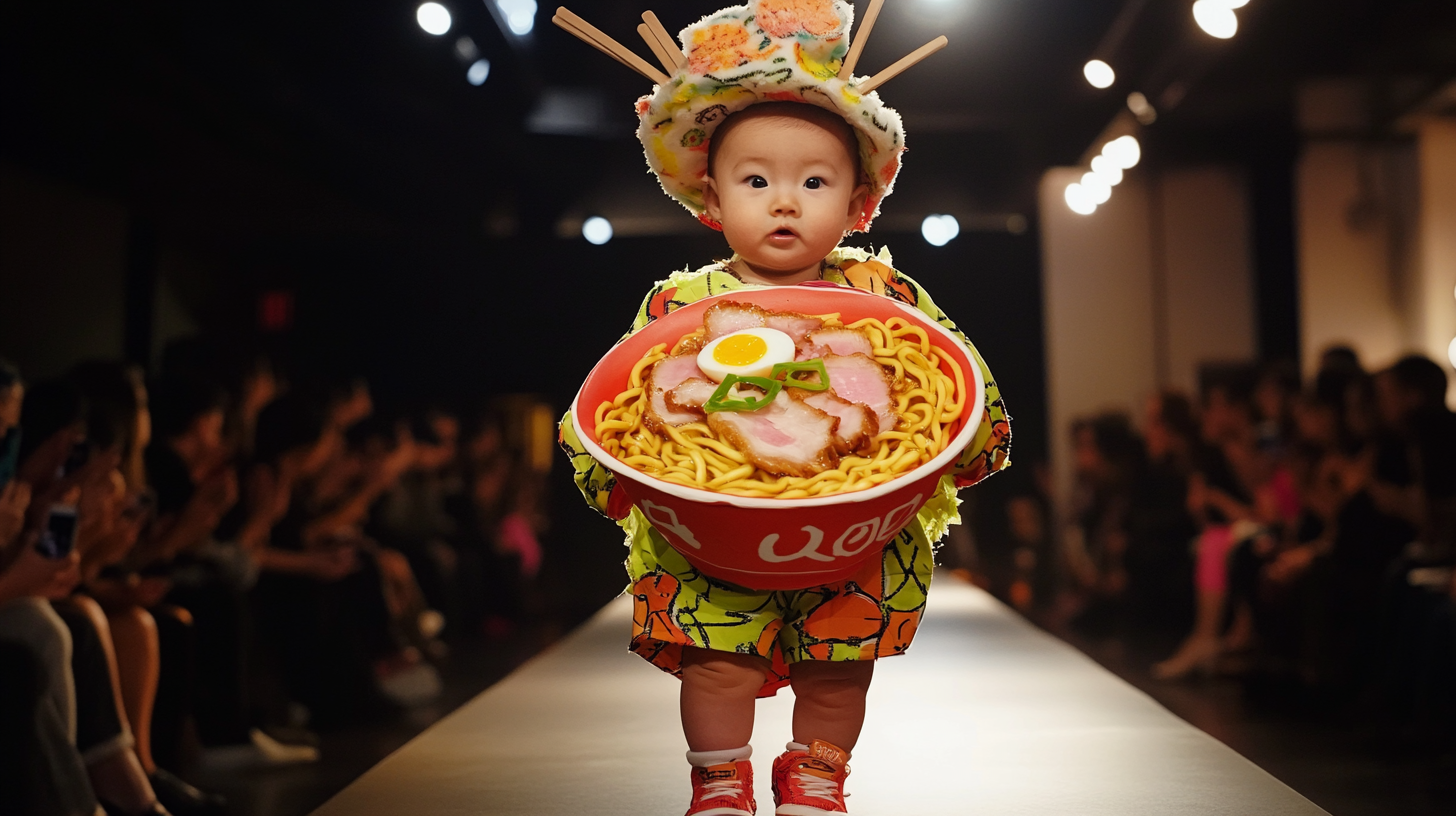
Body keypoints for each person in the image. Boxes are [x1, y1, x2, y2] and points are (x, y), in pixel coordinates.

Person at [556, 4, 1011, 814]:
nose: (784, 202)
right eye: (755, 180)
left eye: (814, 181)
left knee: (840, 664)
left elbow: (962, 387)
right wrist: (615, 481)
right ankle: (720, 779)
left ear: (857, 198)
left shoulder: (886, 295)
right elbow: (606, 409)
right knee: (716, 662)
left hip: (858, 530)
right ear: (711, 194)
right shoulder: (679, 302)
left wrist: (968, 444)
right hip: (711, 527)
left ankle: (817, 773)